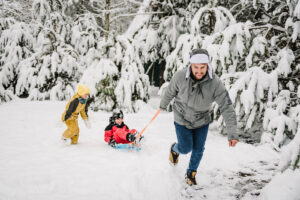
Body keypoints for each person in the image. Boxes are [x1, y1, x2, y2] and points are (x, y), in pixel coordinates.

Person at [160, 49, 239, 186]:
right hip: (181, 117)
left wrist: (232, 133)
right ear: (190, 65)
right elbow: (170, 91)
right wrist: (163, 105)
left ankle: (191, 173)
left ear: (208, 66)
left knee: (198, 149)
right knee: (185, 148)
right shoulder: (180, 76)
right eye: (196, 67)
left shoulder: (215, 83)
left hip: (202, 120)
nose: (199, 71)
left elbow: (226, 106)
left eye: (202, 67)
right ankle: (174, 149)